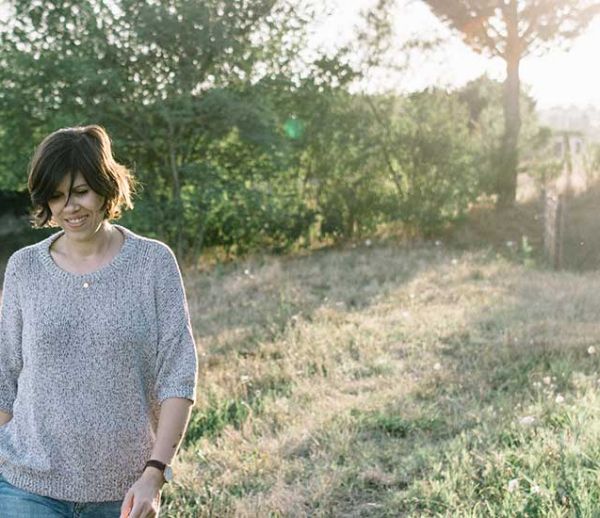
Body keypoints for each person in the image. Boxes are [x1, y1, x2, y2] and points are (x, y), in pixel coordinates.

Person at [0, 125, 198, 518]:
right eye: (56, 196)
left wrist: (154, 475)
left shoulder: (153, 264)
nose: (68, 207)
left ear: (106, 186)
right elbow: (5, 377)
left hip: (123, 492)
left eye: (80, 191)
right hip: (26, 487)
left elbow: (178, 374)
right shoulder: (24, 268)